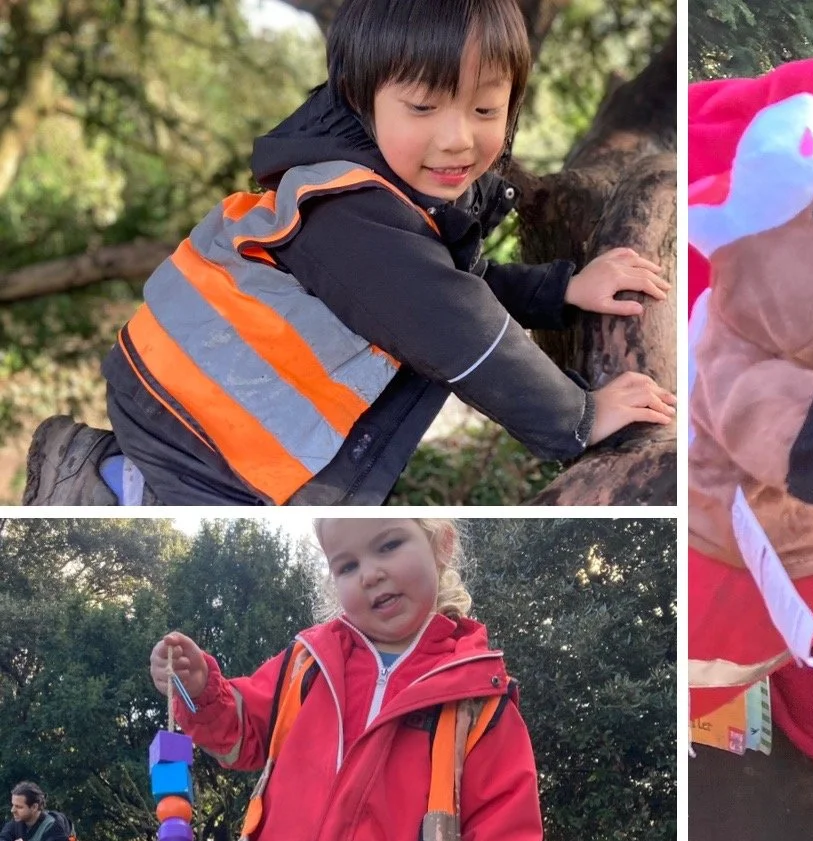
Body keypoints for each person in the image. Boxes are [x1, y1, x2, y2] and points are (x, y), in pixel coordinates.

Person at [54, 0, 674, 507]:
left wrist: (559, 290)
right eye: (423, 107)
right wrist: (579, 416)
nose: (458, 138)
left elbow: (454, 284)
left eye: (486, 108)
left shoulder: (400, 193)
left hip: (202, 412)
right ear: (360, 95)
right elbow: (456, 323)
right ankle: (106, 484)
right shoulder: (347, 211)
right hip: (198, 432)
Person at [150, 514, 542, 841]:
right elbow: (241, 737)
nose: (370, 573)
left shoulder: (480, 696)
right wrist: (201, 688)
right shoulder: (305, 663)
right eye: (347, 564)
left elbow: (503, 829)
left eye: (388, 545)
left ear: (442, 544)